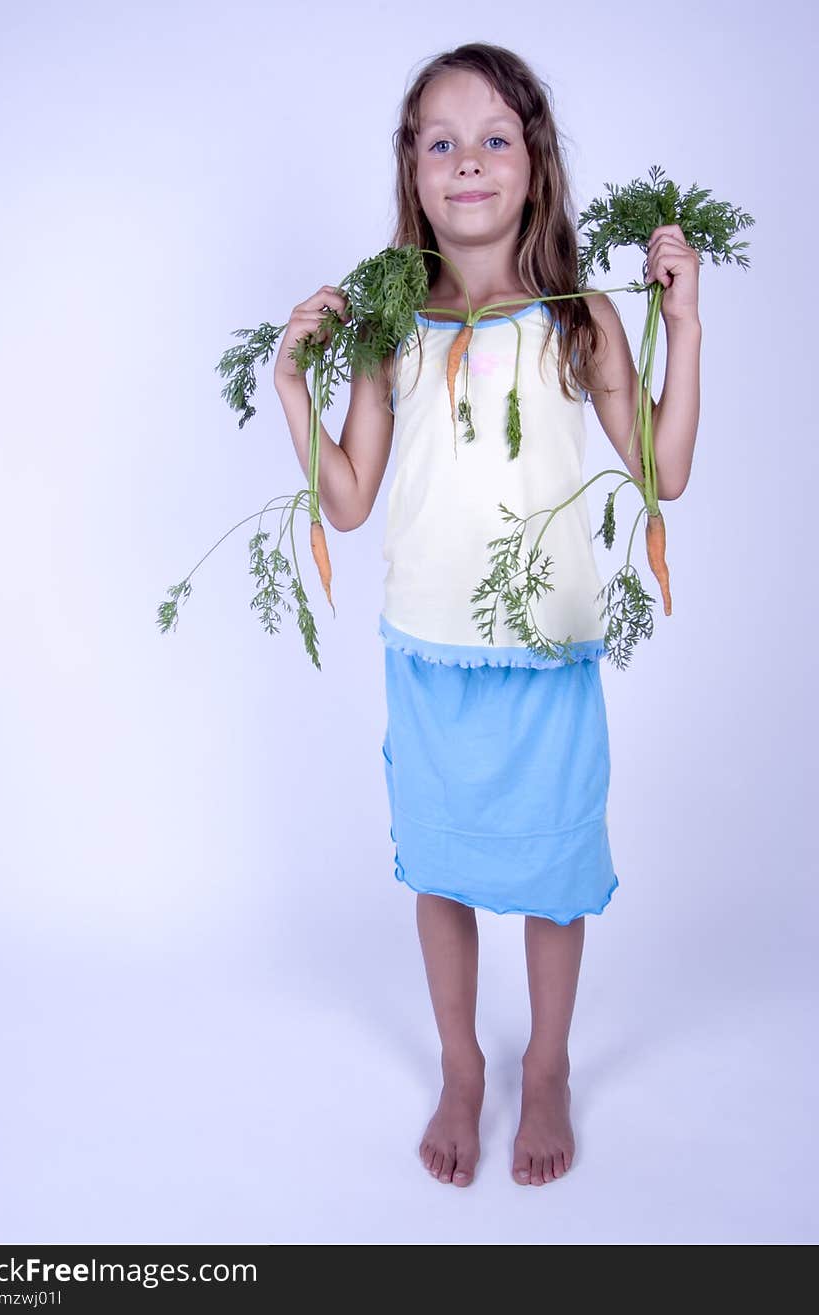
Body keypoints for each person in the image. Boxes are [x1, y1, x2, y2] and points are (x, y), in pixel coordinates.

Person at [273, 43, 702, 1189]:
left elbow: (662, 469)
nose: (467, 161)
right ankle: (462, 1065)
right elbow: (350, 502)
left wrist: (685, 321)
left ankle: (547, 1062)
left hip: (546, 653)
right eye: (440, 141)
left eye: (494, 138)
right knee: (445, 871)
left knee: (555, 872)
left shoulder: (581, 318)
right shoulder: (384, 324)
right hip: (429, 653)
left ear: (536, 162)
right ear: (411, 171)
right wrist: (290, 389)